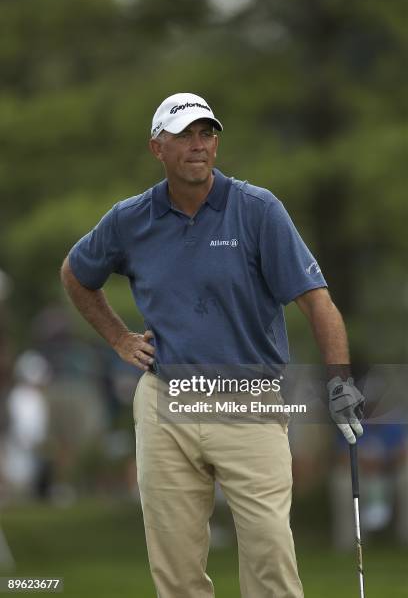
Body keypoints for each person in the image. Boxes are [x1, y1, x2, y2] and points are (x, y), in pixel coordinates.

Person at [61, 92, 364, 598]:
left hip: (249, 401)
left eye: (206, 134)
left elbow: (318, 303)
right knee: (176, 571)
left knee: (270, 556)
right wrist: (118, 337)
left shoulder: (257, 209)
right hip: (166, 402)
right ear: (158, 148)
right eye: (184, 135)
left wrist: (339, 381)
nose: (198, 145)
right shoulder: (130, 219)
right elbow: (76, 273)